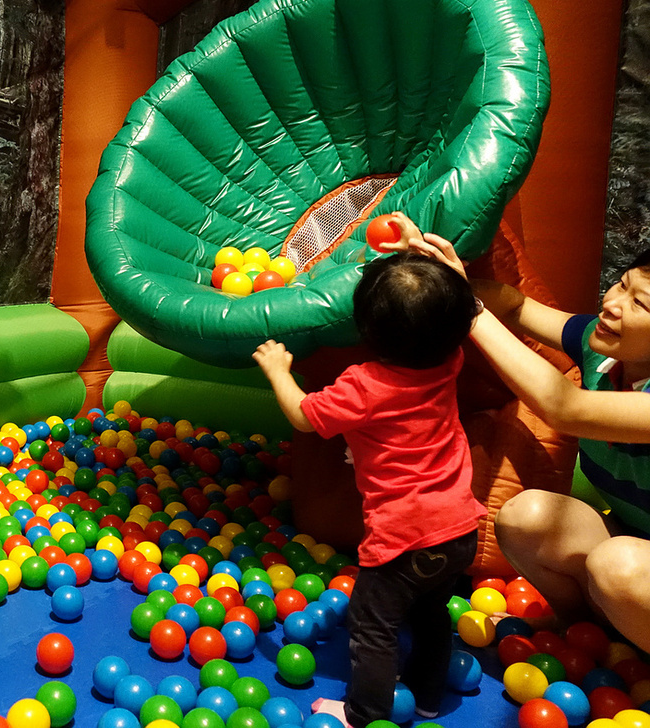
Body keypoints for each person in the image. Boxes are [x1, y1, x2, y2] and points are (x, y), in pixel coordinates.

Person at [254, 250, 486, 728]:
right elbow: (448, 316)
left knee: (373, 626)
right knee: (430, 614)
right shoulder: (450, 360)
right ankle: (426, 697)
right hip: (461, 529)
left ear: (367, 331)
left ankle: (364, 713)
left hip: (403, 538)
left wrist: (279, 370)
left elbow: (305, 416)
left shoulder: (364, 384)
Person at [413, 231, 650, 652]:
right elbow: (515, 304)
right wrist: (436, 276)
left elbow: (565, 407)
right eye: (621, 284)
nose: (612, 304)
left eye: (640, 303)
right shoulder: (604, 350)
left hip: (634, 562)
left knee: (619, 564)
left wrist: (470, 311)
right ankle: (584, 637)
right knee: (527, 517)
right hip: (636, 547)